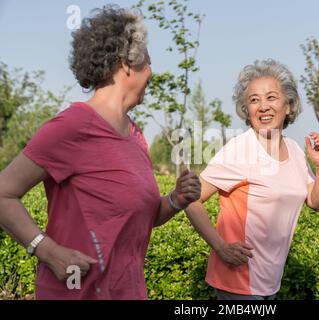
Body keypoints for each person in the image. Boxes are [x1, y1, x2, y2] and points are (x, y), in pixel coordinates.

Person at [0, 6, 200, 300]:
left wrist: (176, 200)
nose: (152, 72)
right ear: (126, 64)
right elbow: (3, 193)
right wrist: (48, 251)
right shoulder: (72, 126)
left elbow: (141, 217)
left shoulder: (135, 136)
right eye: (149, 60)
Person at [185, 59, 319, 300]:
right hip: (237, 279)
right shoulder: (240, 149)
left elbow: (318, 203)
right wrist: (220, 247)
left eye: (271, 98)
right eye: (254, 100)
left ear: (288, 106)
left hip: (270, 281)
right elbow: (190, 199)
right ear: (247, 109)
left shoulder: (294, 150)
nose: (263, 106)